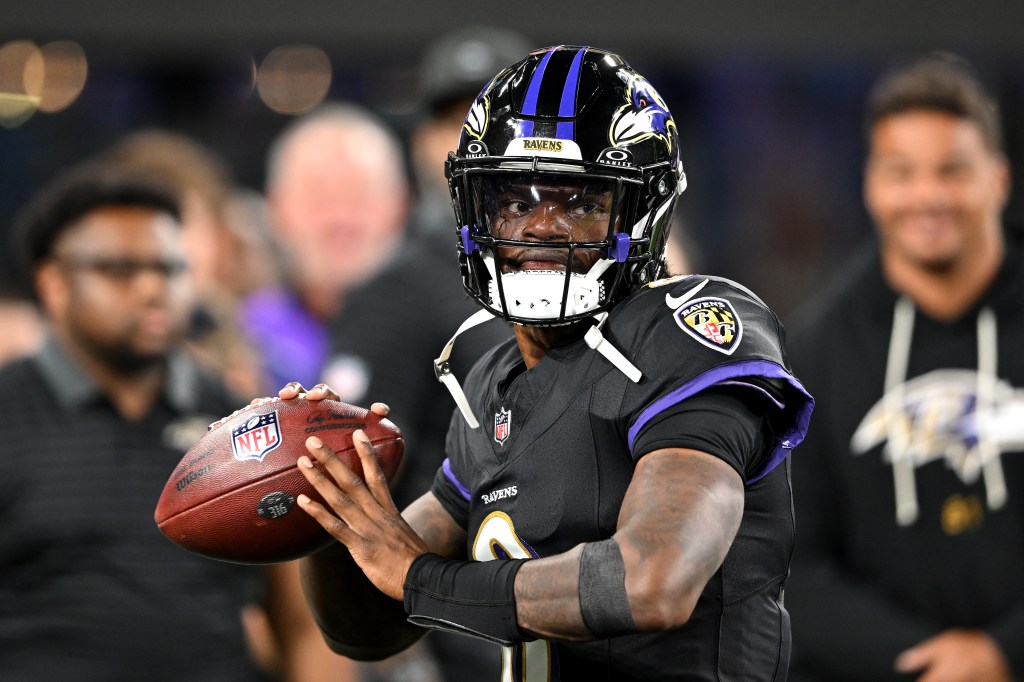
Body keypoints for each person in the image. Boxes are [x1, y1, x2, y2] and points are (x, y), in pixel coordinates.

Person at [282, 46, 814, 680]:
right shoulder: (490, 381)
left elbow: (653, 580)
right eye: (514, 200)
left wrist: (420, 578)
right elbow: (367, 628)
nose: (539, 226)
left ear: (643, 213)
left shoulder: (688, 333)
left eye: (581, 203)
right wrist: (318, 500)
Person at [0, 161, 355, 681]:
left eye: (169, 268)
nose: (152, 289)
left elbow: (303, 626)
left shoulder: (242, 420)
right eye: (119, 270)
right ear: (53, 283)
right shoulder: (8, 413)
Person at [785, 54, 1023, 682]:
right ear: (871, 184)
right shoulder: (812, 352)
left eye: (952, 170)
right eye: (902, 172)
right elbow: (791, 565)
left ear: (998, 179)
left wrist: (1003, 654)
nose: (927, 196)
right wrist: (926, 668)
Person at [324, 27, 530, 682]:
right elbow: (354, 474)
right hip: (463, 635)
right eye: (452, 120)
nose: (475, 140)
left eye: (498, 118)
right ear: (421, 147)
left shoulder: (574, 277)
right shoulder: (396, 291)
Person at [241, 104, 409, 393]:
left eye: (359, 194)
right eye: (318, 196)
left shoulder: (453, 343)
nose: (340, 218)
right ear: (275, 208)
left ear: (401, 208)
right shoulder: (240, 342)